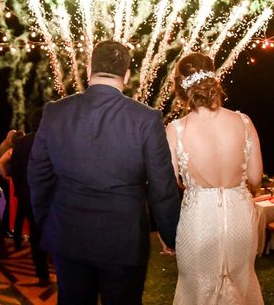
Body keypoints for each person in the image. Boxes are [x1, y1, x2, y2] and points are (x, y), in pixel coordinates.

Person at [28, 40, 181, 305]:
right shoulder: (146, 118)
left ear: (88, 69)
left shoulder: (55, 112)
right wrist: (171, 235)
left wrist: (48, 220)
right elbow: (162, 187)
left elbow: (38, 175)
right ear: (128, 75)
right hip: (123, 239)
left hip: (68, 233)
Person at [166, 52, 264, 304]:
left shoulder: (176, 129)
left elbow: (169, 182)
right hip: (239, 216)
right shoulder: (243, 122)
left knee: (196, 290)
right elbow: (255, 176)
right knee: (242, 284)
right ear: (214, 79)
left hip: (198, 219)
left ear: (181, 86)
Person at [0, 106, 50, 286]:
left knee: (36, 234)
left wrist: (21, 191)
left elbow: (13, 170)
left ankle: (42, 274)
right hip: (51, 197)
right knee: (53, 232)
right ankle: (56, 267)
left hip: (28, 196)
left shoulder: (21, 143)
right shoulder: (54, 141)